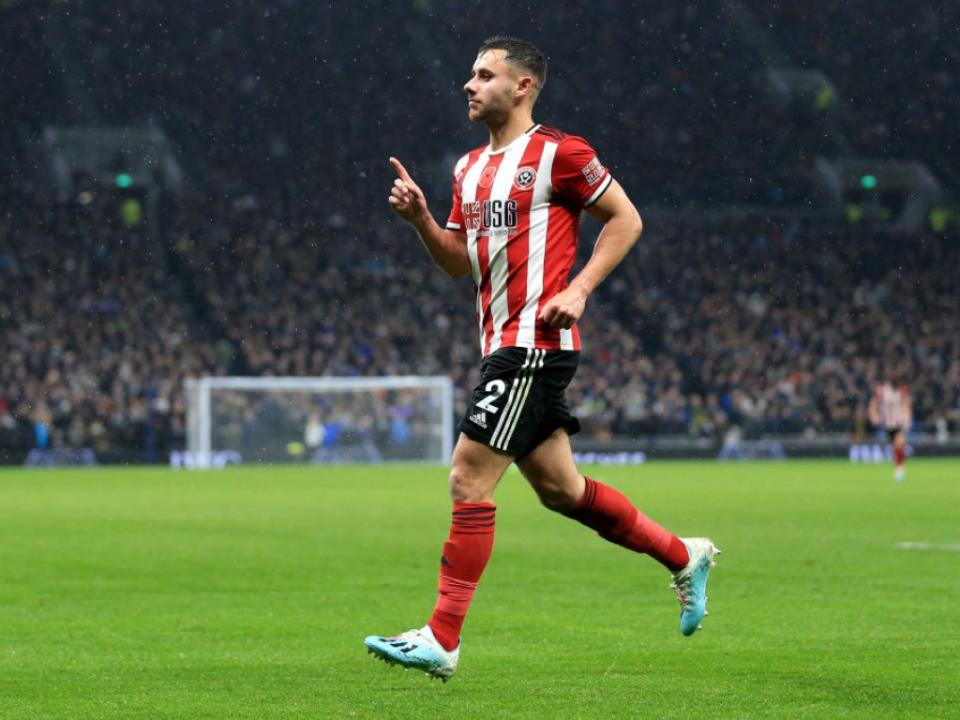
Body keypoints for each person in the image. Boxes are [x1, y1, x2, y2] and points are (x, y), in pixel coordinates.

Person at [364, 36, 719, 681]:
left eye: (483, 75)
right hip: (500, 343)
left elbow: (626, 219)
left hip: (535, 344)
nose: (469, 86)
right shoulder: (467, 169)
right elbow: (461, 263)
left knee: (468, 476)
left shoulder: (560, 153)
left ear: (522, 86)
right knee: (562, 490)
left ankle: (442, 638)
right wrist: (421, 221)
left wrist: (579, 289)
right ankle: (682, 555)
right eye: (469, 75)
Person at [869, 370, 912, 481]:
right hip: (888, 424)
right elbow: (874, 404)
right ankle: (899, 466)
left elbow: (906, 405)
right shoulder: (882, 390)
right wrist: (874, 416)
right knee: (895, 447)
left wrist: (907, 419)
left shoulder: (903, 389)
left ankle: (900, 470)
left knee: (899, 443)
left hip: (900, 422)